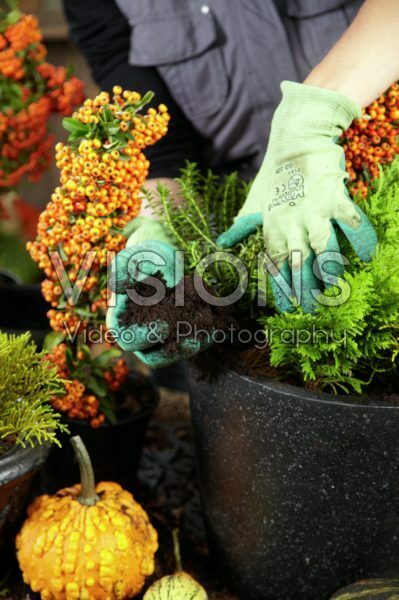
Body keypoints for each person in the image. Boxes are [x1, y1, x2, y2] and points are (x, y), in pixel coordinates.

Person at [63, 0, 398, 368]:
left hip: (380, 161)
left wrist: (311, 120)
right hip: (243, 216)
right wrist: (163, 219)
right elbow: (162, 139)